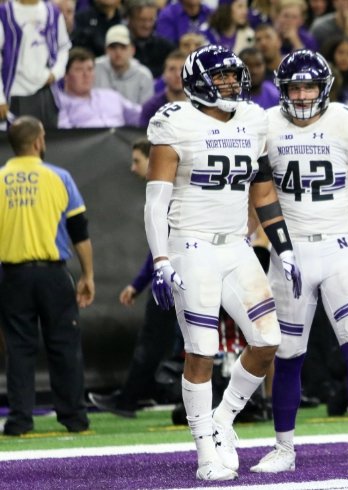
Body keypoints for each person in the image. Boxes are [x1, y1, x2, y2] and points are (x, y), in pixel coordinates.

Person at [143, 44, 302, 481]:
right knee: (202, 350)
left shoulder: (253, 120)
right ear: (198, 82)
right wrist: (160, 258)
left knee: (269, 339)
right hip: (190, 246)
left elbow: (264, 192)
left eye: (235, 76)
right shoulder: (174, 122)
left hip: (235, 244)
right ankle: (205, 455)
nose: (233, 83)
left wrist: (284, 248)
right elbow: (155, 202)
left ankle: (223, 420)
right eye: (222, 77)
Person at [249, 49, 348, 475]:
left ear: (324, 87)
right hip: (288, 251)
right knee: (288, 354)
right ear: (283, 89)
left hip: (340, 246)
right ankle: (284, 448)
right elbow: (257, 194)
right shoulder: (266, 124)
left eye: (309, 85)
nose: (302, 93)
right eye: (294, 87)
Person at [0, 116, 94, 436]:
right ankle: (74, 418)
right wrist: (88, 275)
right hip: (53, 275)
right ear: (39, 141)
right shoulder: (59, 177)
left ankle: (19, 421)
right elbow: (79, 230)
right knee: (64, 346)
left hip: (12, 275)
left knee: (19, 349)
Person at [89, 138, 182, 419]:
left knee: (155, 342)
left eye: (137, 161)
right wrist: (137, 284)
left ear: (153, 160)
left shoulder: (169, 195)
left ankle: (129, 400)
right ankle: (135, 397)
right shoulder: (171, 192)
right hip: (184, 275)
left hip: (175, 279)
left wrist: (140, 283)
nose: (133, 168)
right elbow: (158, 251)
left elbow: (161, 251)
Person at [0, 0, 71, 129]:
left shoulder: (52, 12)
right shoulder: (4, 13)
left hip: (47, 91)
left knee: (49, 142)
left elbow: (64, 46)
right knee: (19, 143)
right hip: (16, 92)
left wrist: (55, 73)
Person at [56, 47, 142, 128]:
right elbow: (65, 137)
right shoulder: (59, 103)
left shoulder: (111, 96)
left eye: (90, 69)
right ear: (65, 75)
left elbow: (141, 115)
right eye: (79, 69)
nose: (86, 75)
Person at [94, 25, 155, 105]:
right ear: (106, 50)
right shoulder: (94, 68)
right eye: (113, 47)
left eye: (123, 47)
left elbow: (146, 112)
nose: (118, 52)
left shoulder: (144, 76)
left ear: (132, 50)